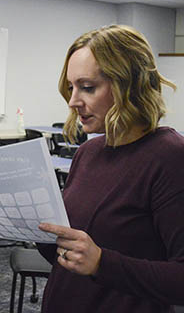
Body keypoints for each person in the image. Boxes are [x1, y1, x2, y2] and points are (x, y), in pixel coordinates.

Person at [38, 24, 184, 312]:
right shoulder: (88, 152)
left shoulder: (169, 157)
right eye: (71, 87)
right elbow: (71, 253)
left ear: (129, 86)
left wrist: (102, 263)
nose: (73, 101)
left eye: (87, 87)